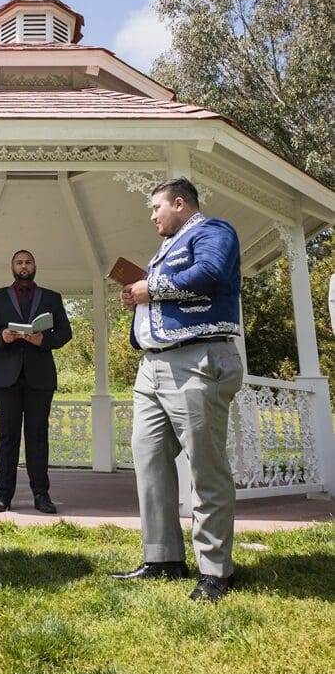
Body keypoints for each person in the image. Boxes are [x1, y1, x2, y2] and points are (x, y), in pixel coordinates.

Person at [112, 177, 243, 603]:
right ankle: (163, 556)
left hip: (197, 360)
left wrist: (148, 288)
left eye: (156, 208)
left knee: (206, 467)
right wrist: (137, 297)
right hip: (153, 366)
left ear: (180, 204)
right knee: (148, 459)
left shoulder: (213, 231)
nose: (152, 216)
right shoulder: (164, 250)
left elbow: (210, 273)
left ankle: (215, 568)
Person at [0, 249, 72, 514]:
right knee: (7, 437)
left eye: (28, 262)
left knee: (37, 436)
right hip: (6, 377)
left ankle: (41, 494)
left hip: (39, 377)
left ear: (35, 266)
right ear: (12, 267)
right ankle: (3, 495)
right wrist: (1, 337)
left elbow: (65, 333)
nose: (24, 266)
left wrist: (44, 340)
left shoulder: (52, 298)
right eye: (19, 262)